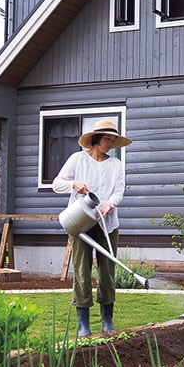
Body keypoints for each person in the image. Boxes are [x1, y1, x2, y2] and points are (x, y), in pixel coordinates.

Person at [52, 119, 131, 337]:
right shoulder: (78, 160)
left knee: (107, 271)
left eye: (113, 140)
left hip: (108, 223)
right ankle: (83, 324)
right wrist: (73, 185)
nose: (110, 143)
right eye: (107, 139)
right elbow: (57, 183)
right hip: (80, 222)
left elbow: (119, 191)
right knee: (81, 270)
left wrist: (110, 204)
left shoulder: (116, 165)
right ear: (96, 139)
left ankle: (107, 320)